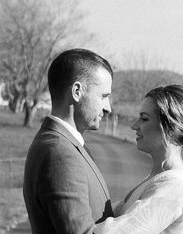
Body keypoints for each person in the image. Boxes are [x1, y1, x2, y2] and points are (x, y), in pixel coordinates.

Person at [94, 84, 183, 234]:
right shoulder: (162, 181)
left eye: (144, 119)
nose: (134, 125)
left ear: (171, 129)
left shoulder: (174, 187)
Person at [23, 48, 114, 234]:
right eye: (103, 96)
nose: (108, 108)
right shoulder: (60, 152)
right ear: (77, 91)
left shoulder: (62, 143)